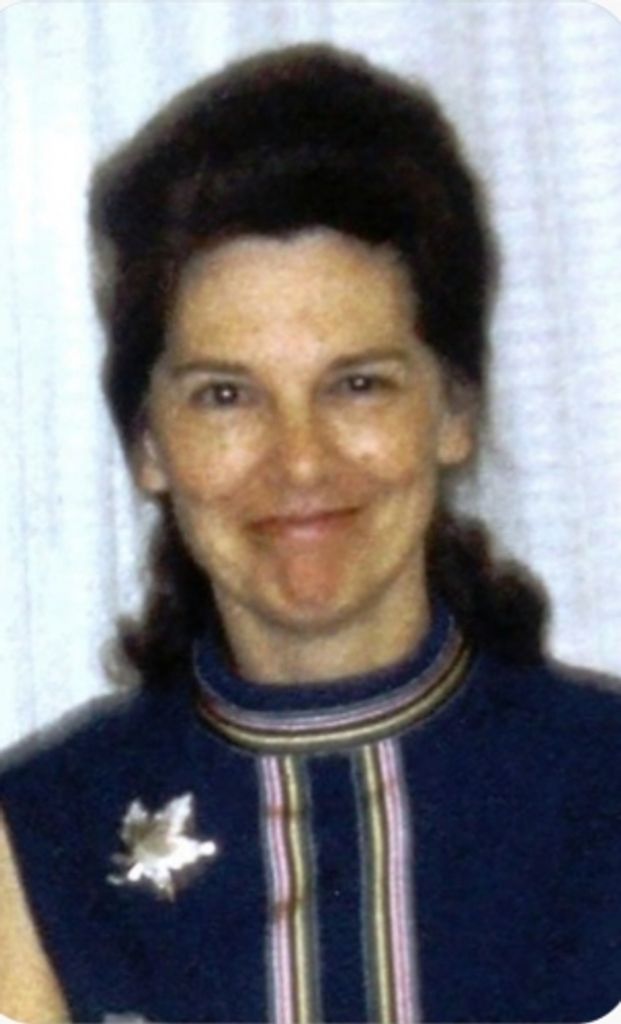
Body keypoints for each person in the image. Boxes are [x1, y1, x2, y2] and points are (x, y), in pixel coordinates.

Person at [0, 42, 619, 1024]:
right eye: (226, 395)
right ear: (148, 442)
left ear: (455, 410)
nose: (299, 462)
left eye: (357, 384)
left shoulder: (600, 791)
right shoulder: (40, 838)